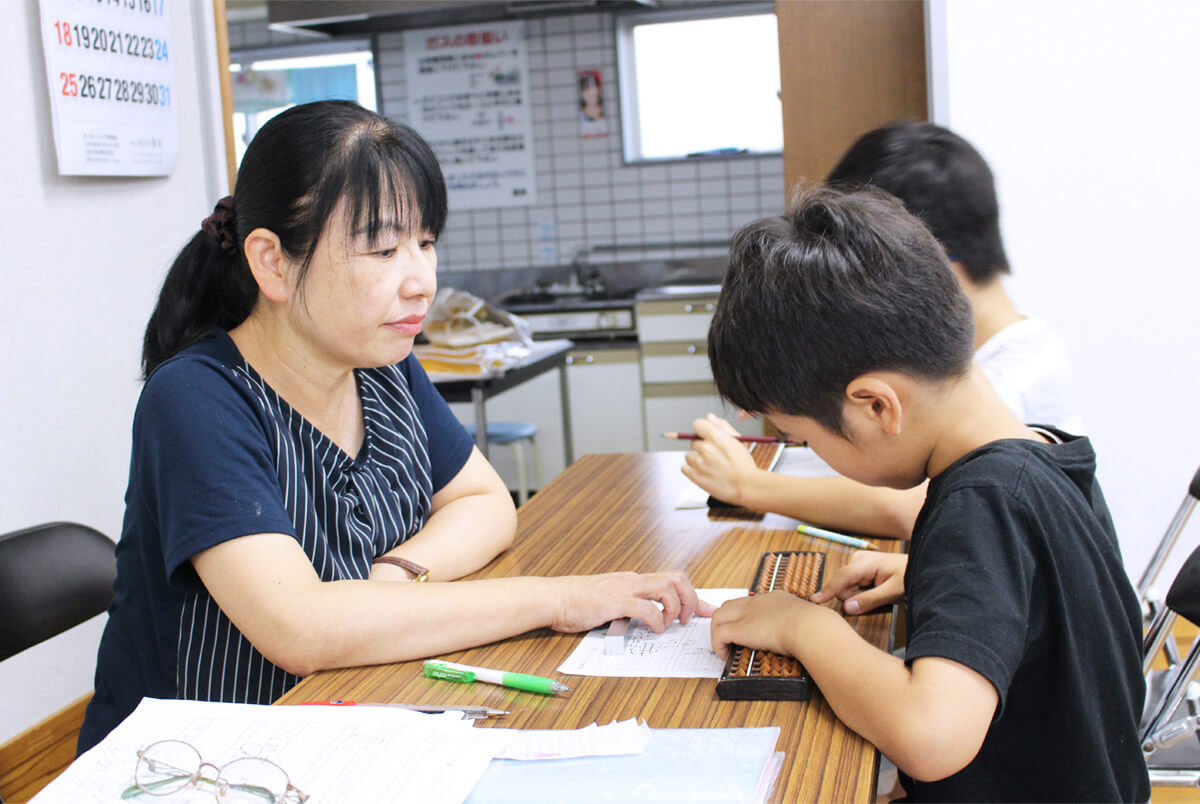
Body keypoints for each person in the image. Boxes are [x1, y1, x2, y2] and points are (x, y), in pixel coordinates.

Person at [78, 100, 710, 753]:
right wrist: (559, 600)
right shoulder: (197, 399)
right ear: (270, 262)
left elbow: (484, 501)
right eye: (383, 249)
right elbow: (302, 628)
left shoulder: (382, 364)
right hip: (200, 761)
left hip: (353, 716)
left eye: (426, 242)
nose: (421, 282)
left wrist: (400, 574)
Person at [706, 188, 1148, 801]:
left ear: (876, 405)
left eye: (800, 436)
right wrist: (935, 578)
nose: (810, 451)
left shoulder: (983, 504)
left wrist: (803, 628)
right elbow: (1055, 593)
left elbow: (931, 737)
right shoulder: (1044, 452)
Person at [682, 121, 1082, 539]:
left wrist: (749, 485)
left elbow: (911, 508)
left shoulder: (1004, 382)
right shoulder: (973, 358)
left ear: (925, 250)